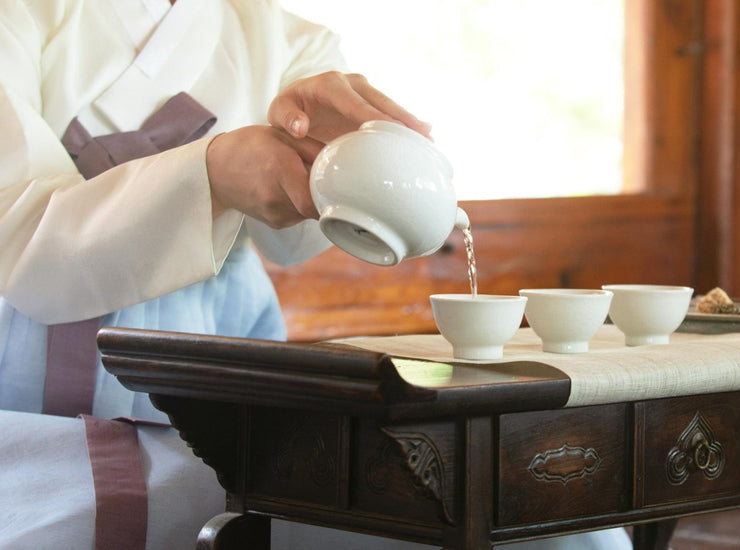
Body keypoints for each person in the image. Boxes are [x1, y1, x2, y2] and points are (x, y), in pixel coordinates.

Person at [0, 1, 632, 548]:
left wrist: (347, 161)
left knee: (544, 512)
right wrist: (211, 173)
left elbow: (295, 240)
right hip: (29, 421)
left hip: (217, 392)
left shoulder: (282, 35)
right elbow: (20, 240)